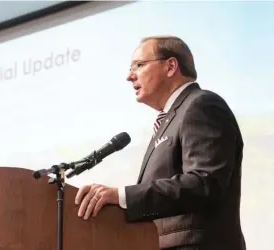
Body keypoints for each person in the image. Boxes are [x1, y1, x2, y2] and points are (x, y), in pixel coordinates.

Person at [75, 36, 246, 250]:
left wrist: (121, 196)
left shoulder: (202, 105)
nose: (130, 76)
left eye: (139, 65)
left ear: (171, 66)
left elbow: (205, 183)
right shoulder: (171, 119)